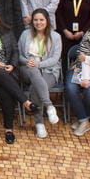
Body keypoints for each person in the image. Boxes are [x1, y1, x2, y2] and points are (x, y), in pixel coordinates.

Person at [16, 9, 61, 138]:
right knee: (33, 71)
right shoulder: (25, 34)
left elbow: (55, 59)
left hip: (49, 70)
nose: (38, 22)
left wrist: (38, 64)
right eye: (35, 20)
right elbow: (18, 55)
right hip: (27, 69)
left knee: (37, 87)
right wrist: (28, 61)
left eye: (41, 20)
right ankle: (49, 106)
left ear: (47, 21)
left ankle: (39, 124)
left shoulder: (56, 37)